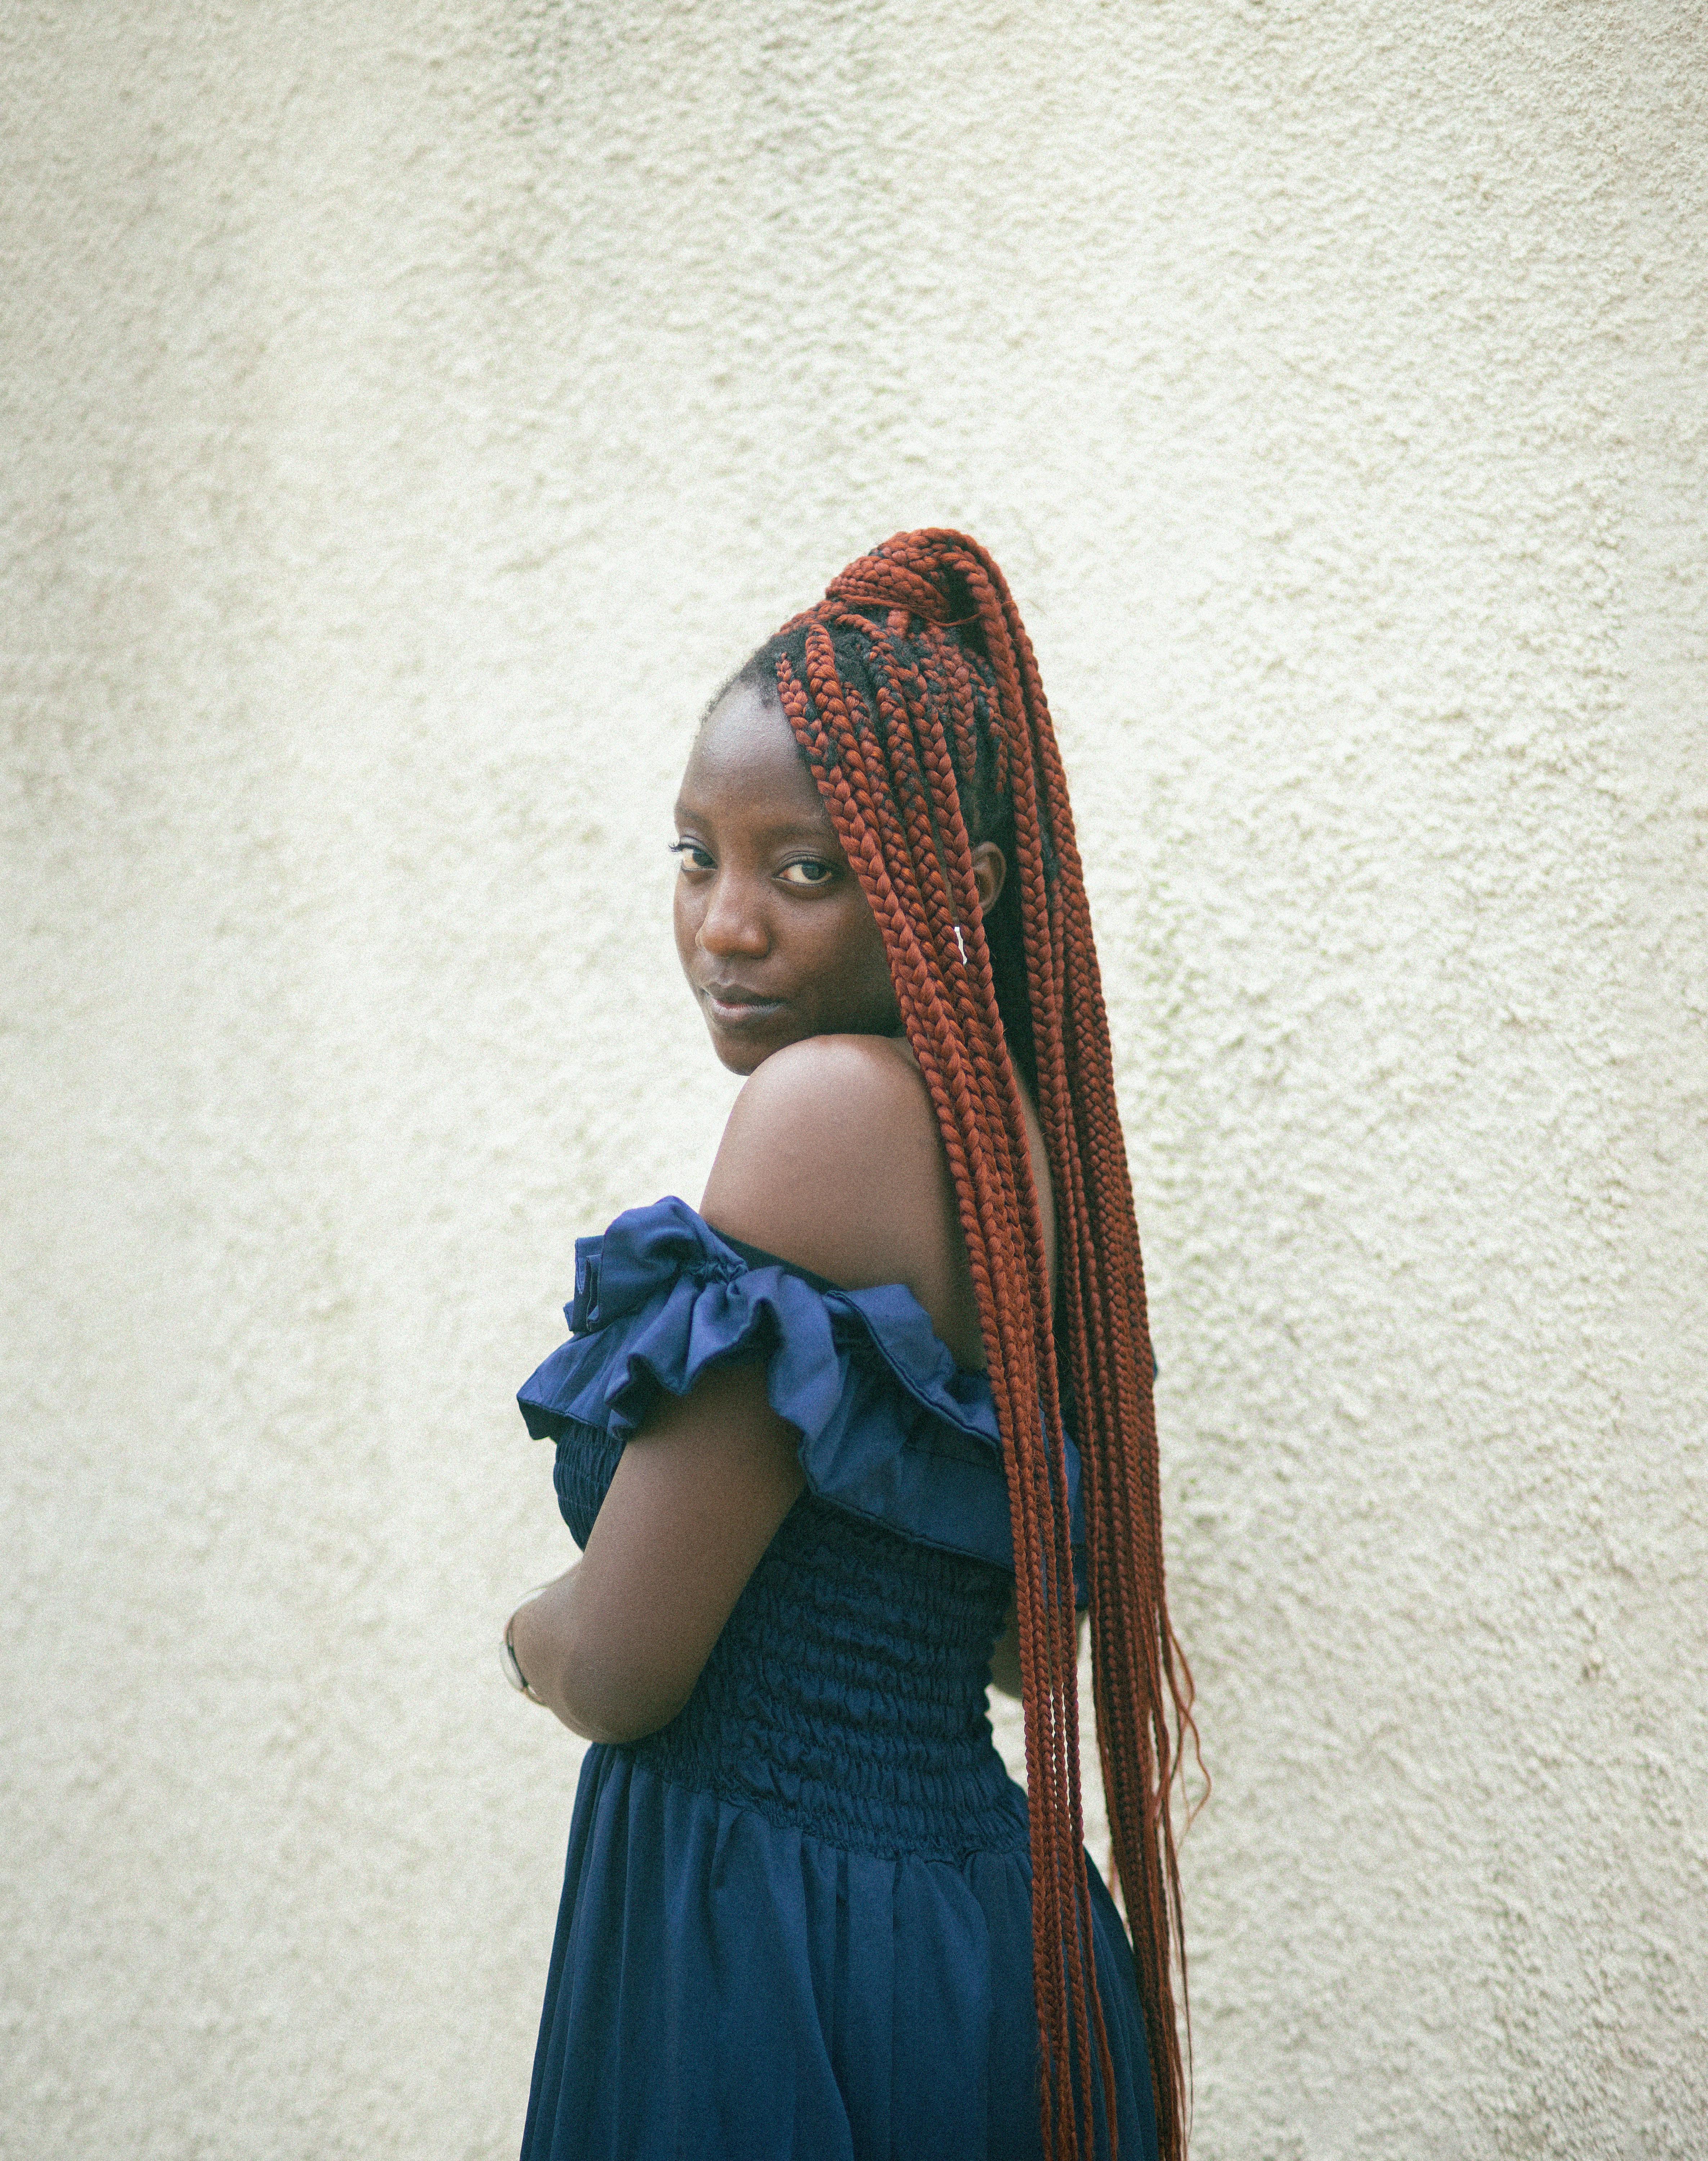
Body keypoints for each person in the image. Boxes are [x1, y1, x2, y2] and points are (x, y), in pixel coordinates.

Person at [504, 530, 1194, 2161]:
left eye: (803, 870)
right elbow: (999, 1644)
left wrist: (525, 1630)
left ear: (955, 883)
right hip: (945, 1938)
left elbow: (617, 1667)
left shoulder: (822, 1114)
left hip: (790, 1951)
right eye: (695, 856)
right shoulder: (1005, 1142)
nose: (726, 925)